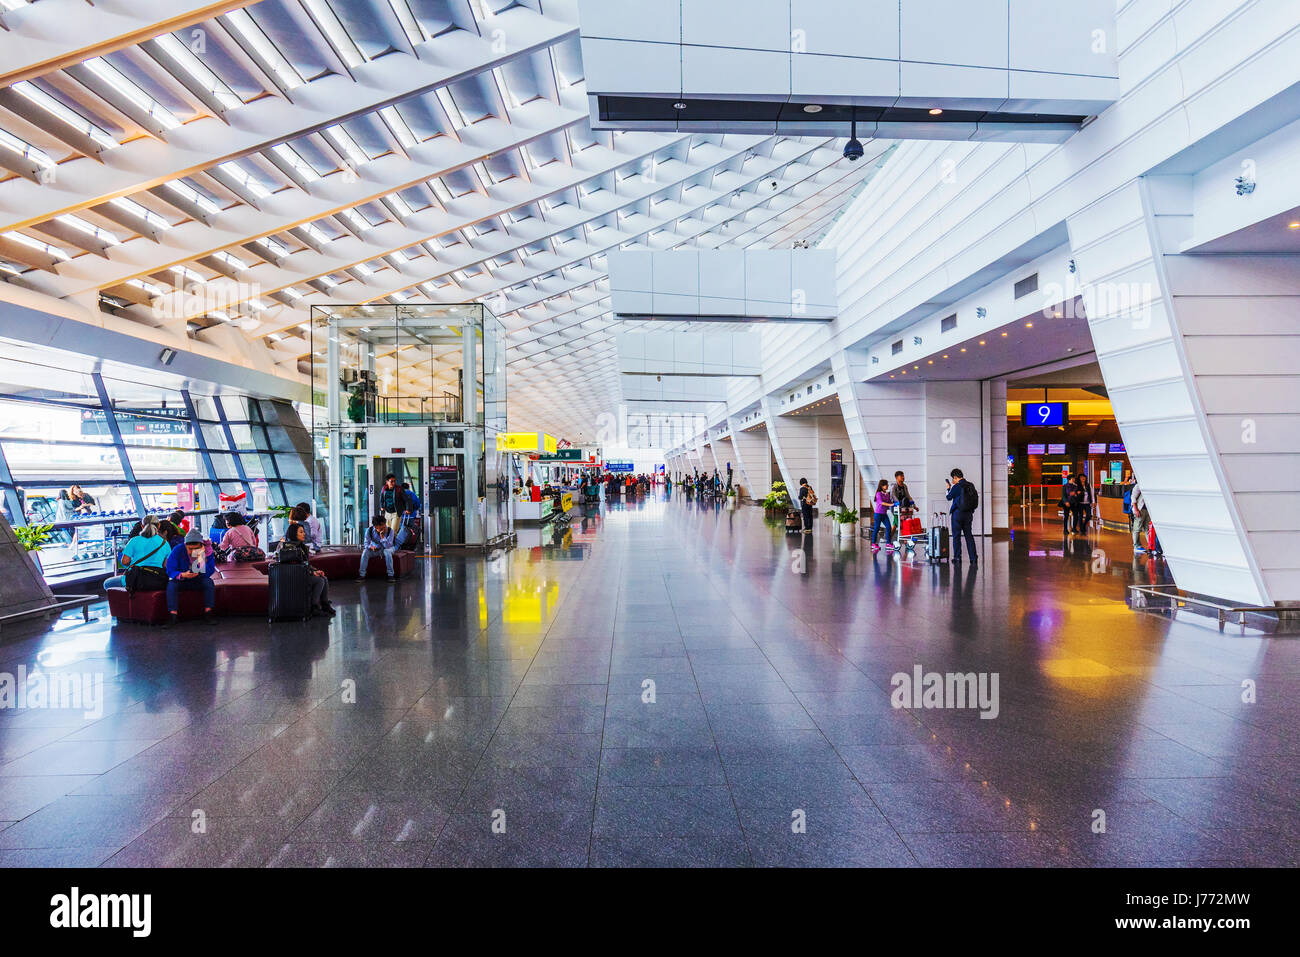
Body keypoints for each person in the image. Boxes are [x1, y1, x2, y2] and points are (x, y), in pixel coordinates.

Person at [164, 529, 218, 626]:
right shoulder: (178, 550)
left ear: (201, 546)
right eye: (190, 549)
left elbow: (209, 571)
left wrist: (201, 557)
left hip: (198, 580)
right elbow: (170, 569)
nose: (192, 551)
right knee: (171, 585)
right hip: (182, 579)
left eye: (195, 548)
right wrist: (182, 575)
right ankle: (173, 616)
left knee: (209, 582)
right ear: (185, 545)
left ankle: (208, 613)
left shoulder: (207, 551)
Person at [281, 521, 335, 616]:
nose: (304, 534)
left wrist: (315, 571)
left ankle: (324, 604)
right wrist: (311, 573)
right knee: (319, 581)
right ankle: (313, 607)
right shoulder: (290, 548)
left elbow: (305, 564)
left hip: (302, 573)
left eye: (303, 531)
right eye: (301, 532)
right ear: (294, 534)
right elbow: (295, 566)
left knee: (324, 578)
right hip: (294, 577)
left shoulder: (300, 546)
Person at [105, 516, 170, 592]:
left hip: (135, 578)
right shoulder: (164, 543)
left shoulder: (134, 540)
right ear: (158, 526)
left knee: (107, 583)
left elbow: (124, 561)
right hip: (156, 580)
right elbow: (166, 565)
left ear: (142, 526)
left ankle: (127, 602)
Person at [945, 468, 979, 564]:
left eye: (953, 479)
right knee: (969, 535)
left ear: (956, 477)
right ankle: (973, 558)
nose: (952, 481)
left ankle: (957, 558)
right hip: (968, 514)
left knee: (956, 536)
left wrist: (948, 488)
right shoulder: (970, 485)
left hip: (957, 514)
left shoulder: (956, 486)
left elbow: (948, 497)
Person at [358, 514, 398, 582]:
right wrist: (371, 547)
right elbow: (366, 543)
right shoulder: (369, 530)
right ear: (376, 526)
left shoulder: (390, 531)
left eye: (384, 524)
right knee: (365, 552)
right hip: (375, 549)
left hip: (388, 548)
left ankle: (390, 575)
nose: (384, 527)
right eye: (381, 526)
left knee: (387, 551)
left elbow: (388, 546)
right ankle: (362, 575)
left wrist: (382, 537)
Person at [870, 479, 894, 552]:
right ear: (882, 486)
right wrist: (891, 504)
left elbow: (890, 502)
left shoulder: (887, 494)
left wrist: (895, 503)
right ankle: (873, 544)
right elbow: (881, 502)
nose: (887, 486)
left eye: (887, 484)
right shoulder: (878, 494)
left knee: (889, 527)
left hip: (884, 514)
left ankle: (888, 543)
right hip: (878, 514)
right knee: (877, 528)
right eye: (885, 484)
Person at [1131, 479, 1151, 554]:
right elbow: (1133, 497)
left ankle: (1151, 545)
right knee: (1137, 528)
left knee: (1148, 529)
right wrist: (1136, 509)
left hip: (1147, 510)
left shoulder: (1149, 485)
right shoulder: (1139, 485)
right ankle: (1136, 546)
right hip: (1140, 509)